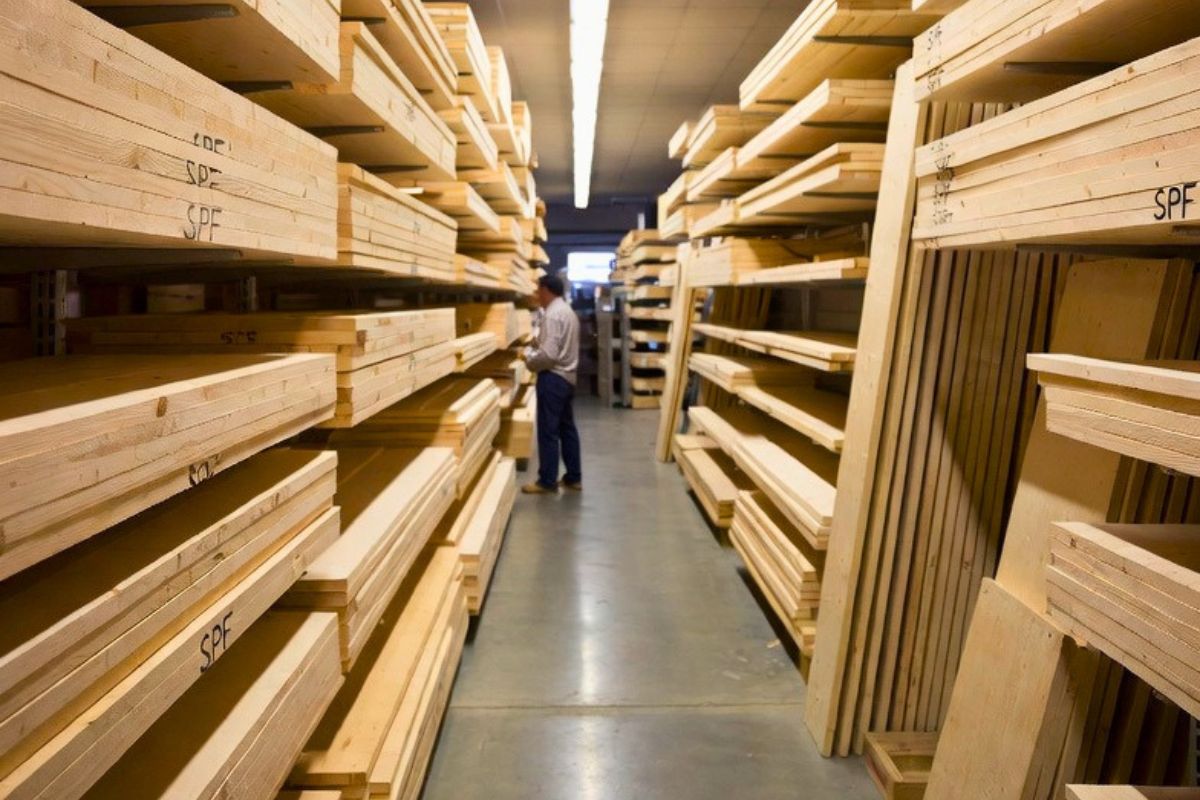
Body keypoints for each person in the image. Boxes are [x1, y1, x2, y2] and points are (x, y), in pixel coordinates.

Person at [522, 273, 582, 494]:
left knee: (548, 431)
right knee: (567, 429)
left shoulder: (553, 315)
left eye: (538, 290)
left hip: (553, 378)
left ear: (546, 290)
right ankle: (574, 477)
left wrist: (529, 360)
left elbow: (548, 355)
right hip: (568, 378)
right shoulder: (567, 312)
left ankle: (547, 481)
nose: (537, 295)